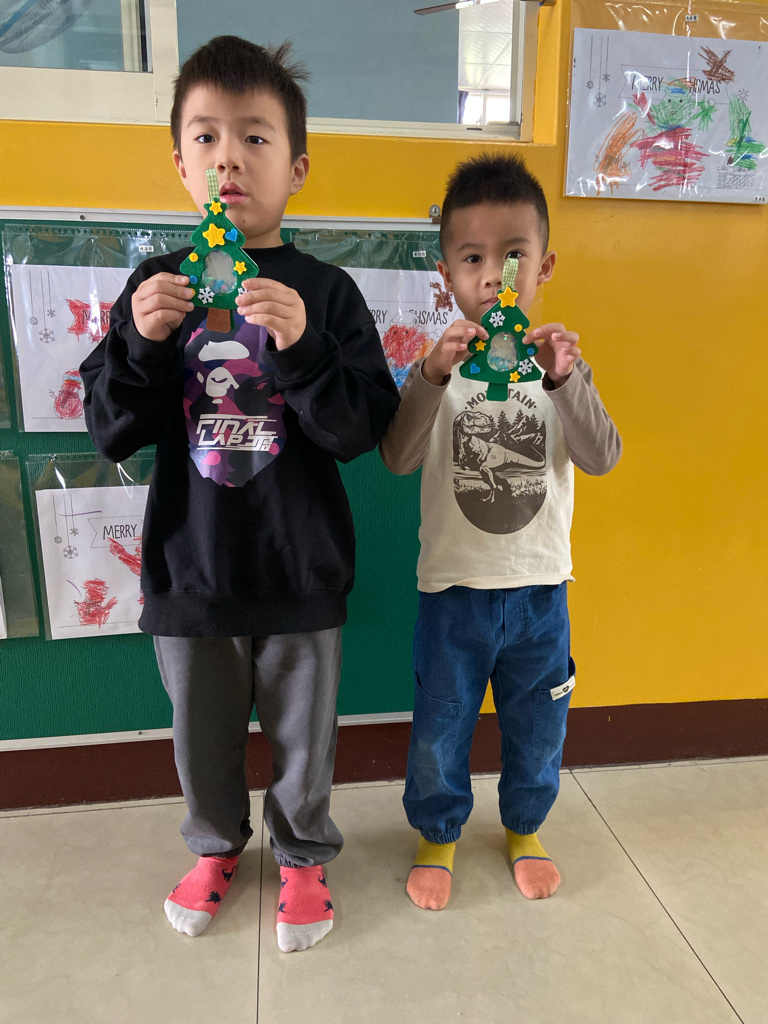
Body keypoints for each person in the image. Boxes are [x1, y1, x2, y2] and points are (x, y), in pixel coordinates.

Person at [81, 35, 399, 952]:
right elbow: (111, 431)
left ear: (296, 167)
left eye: (255, 137)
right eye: (207, 137)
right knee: (201, 735)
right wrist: (141, 345)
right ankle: (216, 846)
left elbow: (360, 431)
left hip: (302, 566)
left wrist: (303, 350)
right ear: (180, 165)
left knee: (305, 736)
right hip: (192, 567)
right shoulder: (155, 287)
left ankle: (302, 858)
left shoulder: (327, 293)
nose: (229, 159)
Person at [380, 153, 621, 911]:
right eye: (473, 259)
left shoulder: (561, 368)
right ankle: (438, 834)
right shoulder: (439, 370)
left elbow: (602, 457)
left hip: (542, 592)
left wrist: (565, 379)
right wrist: (429, 376)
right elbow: (396, 458)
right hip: (453, 592)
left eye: (513, 256)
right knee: (441, 724)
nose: (494, 276)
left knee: (538, 725)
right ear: (445, 273)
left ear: (543, 266)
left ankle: (524, 828)